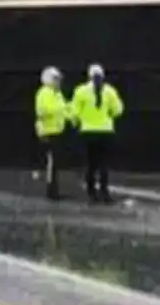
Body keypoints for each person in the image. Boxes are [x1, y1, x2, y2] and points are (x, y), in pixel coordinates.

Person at [70, 63, 125, 203]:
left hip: (88, 131)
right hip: (105, 131)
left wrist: (76, 122)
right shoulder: (110, 91)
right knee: (104, 163)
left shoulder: (81, 91)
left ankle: (91, 193)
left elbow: (74, 111)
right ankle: (105, 193)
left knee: (90, 163)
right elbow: (118, 110)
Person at [34, 66, 71, 200]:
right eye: (56, 79)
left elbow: (65, 109)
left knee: (55, 162)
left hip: (57, 131)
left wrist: (72, 115)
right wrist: (59, 110)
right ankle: (51, 192)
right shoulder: (44, 93)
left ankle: (54, 190)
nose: (58, 82)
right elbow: (43, 110)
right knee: (52, 162)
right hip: (47, 132)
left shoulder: (57, 94)